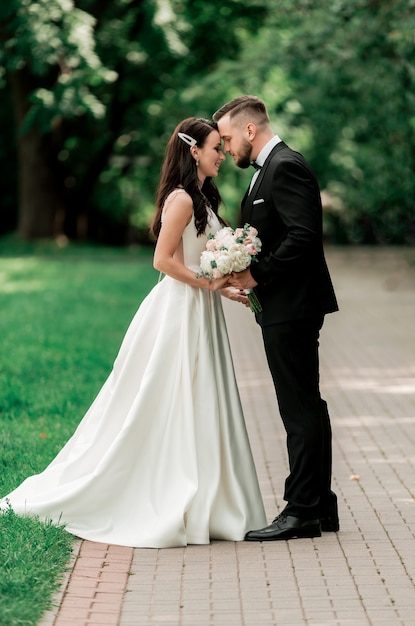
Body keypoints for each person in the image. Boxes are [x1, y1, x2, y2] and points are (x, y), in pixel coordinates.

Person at [0, 117, 266, 548]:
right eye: (216, 147)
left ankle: (211, 503)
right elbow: (163, 261)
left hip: (200, 309)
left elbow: (200, 258)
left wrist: (226, 283)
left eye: (222, 146)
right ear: (193, 151)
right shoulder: (180, 198)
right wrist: (208, 284)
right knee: (169, 400)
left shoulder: (202, 196)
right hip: (179, 311)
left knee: (202, 399)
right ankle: (162, 493)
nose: (222, 154)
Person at [213, 96, 339, 541]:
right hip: (285, 304)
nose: (226, 149)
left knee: (298, 407)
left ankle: (301, 510)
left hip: (295, 306)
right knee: (307, 404)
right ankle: (320, 504)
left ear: (250, 130)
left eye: (227, 138)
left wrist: (255, 275)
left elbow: (305, 236)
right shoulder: (266, 171)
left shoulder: (286, 165)